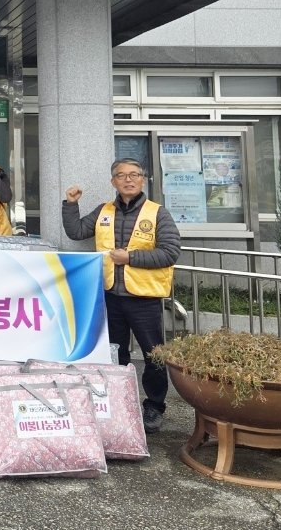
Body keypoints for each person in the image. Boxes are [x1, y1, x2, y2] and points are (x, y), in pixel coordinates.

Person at [62, 157, 182, 434]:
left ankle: (155, 406)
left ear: (143, 180)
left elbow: (170, 252)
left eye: (134, 175)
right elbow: (76, 231)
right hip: (110, 296)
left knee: (153, 355)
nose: (128, 180)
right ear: (113, 181)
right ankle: (118, 402)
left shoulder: (158, 213)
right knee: (115, 353)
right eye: (121, 175)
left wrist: (130, 257)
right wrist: (70, 204)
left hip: (144, 298)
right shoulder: (103, 211)